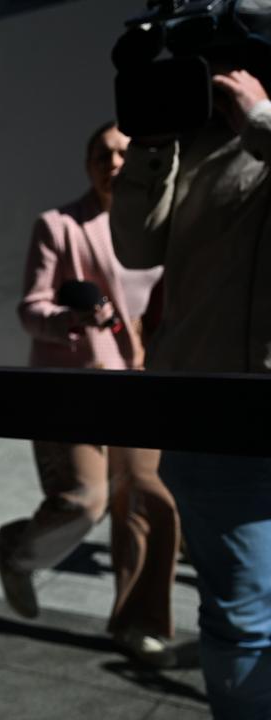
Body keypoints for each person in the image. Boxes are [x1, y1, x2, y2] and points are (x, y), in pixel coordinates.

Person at [111, 24, 271, 716]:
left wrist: (261, 117)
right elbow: (136, 246)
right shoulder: (198, 148)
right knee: (242, 617)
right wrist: (152, 142)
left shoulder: (261, 126)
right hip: (222, 422)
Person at [0, 121, 178, 666]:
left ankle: (139, 623)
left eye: (123, 152)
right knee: (85, 500)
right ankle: (19, 552)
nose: (113, 162)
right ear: (87, 164)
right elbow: (32, 308)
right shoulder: (59, 225)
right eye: (101, 154)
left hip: (139, 384)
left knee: (148, 498)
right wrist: (71, 319)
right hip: (70, 385)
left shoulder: (158, 229)